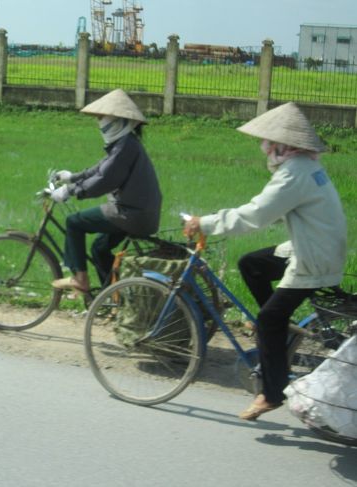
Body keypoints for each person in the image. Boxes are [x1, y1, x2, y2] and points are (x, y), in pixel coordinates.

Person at [183, 102, 347, 420]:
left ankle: (271, 393)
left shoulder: (295, 173)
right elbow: (278, 210)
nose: (265, 149)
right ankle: (281, 327)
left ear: (281, 145)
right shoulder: (304, 167)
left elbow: (256, 214)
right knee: (251, 264)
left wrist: (206, 223)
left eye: (268, 144)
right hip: (314, 247)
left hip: (313, 258)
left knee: (269, 319)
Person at [49, 89, 162, 294]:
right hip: (138, 212)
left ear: (119, 120)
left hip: (131, 214)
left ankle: (79, 279)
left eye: (103, 117)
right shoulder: (124, 144)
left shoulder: (126, 147)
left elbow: (104, 179)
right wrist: (73, 177)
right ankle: (111, 296)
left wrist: (71, 191)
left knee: (73, 223)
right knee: (99, 249)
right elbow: (99, 168)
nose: (100, 122)